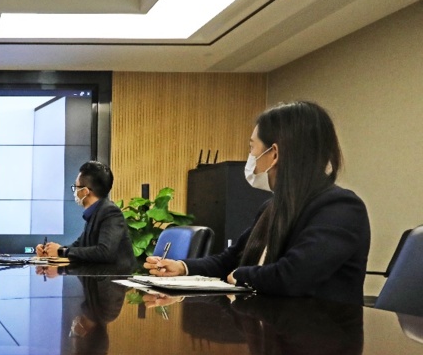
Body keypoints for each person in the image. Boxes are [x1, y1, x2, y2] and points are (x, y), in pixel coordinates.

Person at [143, 101, 370, 306]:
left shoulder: (340, 208)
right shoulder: (272, 207)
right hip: (271, 331)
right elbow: (229, 261)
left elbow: (292, 277)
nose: (250, 157)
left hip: (318, 340)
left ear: (274, 154)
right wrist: (183, 268)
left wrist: (241, 275)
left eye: (252, 148)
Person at [37, 161, 135, 269]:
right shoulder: (95, 212)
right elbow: (79, 246)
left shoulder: (110, 212)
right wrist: (51, 251)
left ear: (85, 191)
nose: (75, 192)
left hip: (113, 281)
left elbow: (105, 252)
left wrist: (61, 251)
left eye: (76, 187)